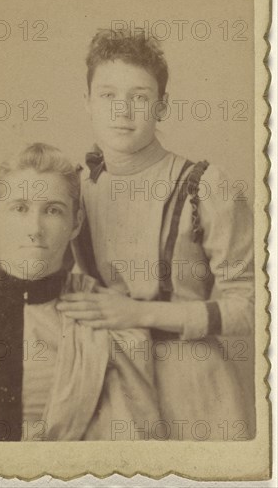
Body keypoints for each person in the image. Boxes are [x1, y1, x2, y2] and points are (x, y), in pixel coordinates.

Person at [60, 29, 256, 440]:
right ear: (86, 103)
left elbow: (254, 307)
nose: (123, 110)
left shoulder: (205, 185)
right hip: (108, 385)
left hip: (197, 394)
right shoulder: (73, 188)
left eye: (140, 96)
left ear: (161, 106)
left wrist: (142, 314)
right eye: (108, 95)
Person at [0, 142, 160, 442]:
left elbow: (128, 449)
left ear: (76, 223)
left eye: (53, 210)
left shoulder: (108, 323)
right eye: (20, 208)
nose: (35, 228)